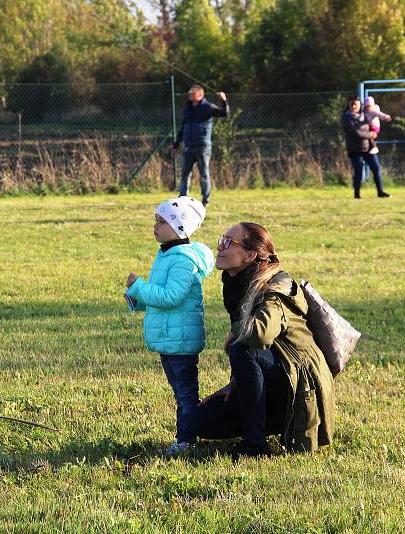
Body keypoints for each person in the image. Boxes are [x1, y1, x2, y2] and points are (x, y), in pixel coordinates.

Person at [193, 222, 335, 459]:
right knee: (199, 421)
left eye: (229, 242)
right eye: (222, 239)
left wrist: (234, 331)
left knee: (241, 349)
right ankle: (269, 423)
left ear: (250, 255)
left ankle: (255, 445)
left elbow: (259, 334)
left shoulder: (275, 287)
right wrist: (235, 383)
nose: (220, 246)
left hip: (298, 384)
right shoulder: (236, 283)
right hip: (276, 375)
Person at [125, 197, 214, 456]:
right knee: (180, 393)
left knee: (186, 394)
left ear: (179, 228)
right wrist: (137, 298)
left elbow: (171, 297)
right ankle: (187, 435)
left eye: (162, 221)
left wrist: (140, 286)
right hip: (169, 340)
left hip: (181, 343)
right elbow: (160, 297)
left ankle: (186, 440)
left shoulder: (182, 261)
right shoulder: (165, 255)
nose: (155, 226)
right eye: (156, 220)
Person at [171, 85, 229, 207]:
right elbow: (182, 128)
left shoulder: (207, 107)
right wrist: (176, 145)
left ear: (200, 95)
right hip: (188, 147)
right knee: (185, 174)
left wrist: (223, 100)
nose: (190, 95)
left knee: (204, 174)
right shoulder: (188, 109)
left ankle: (205, 199)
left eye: (193, 93)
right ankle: (182, 199)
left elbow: (224, 114)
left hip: (202, 146)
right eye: (190, 93)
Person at [341, 95, 391, 199]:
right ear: (349, 105)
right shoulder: (346, 117)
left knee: (376, 168)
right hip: (355, 149)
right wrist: (371, 135)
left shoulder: (365, 114)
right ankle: (357, 194)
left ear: (360, 105)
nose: (354, 106)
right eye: (352, 104)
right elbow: (356, 132)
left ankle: (380, 192)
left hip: (368, 147)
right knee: (359, 170)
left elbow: (376, 115)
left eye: (356, 104)